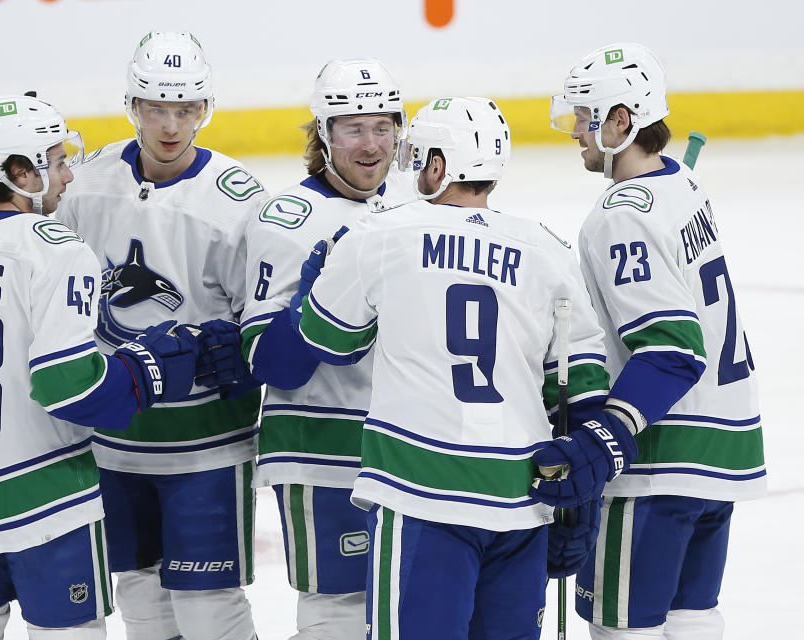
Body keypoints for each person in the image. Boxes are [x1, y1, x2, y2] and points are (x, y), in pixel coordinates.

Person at [0, 94, 206, 639]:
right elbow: (69, 389)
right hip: (41, 502)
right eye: (55, 161)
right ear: (20, 173)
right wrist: (153, 367)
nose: (69, 174)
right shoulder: (55, 249)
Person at [292, 96, 612, 640]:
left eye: (419, 156)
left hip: (421, 490)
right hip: (521, 495)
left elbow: (326, 338)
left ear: (438, 165)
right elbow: (581, 382)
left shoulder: (378, 235)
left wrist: (316, 281)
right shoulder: (543, 248)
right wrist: (584, 498)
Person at [531, 42, 767, 640]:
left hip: (662, 456)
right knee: (693, 621)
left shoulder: (620, 216)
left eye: (586, 117)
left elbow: (672, 347)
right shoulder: (680, 181)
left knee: (624, 630)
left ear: (620, 121)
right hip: (723, 445)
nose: (576, 132)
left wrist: (606, 435)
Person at [55, 31, 263, 640]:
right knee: (141, 600)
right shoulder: (86, 186)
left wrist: (243, 353)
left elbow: (262, 314)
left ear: (204, 110)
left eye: (184, 109)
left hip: (207, 441)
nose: (171, 126)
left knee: (210, 609)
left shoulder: (238, 201)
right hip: (115, 434)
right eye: (156, 108)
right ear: (133, 107)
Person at [239, 58, 413, 639]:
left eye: (382, 126)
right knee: (335, 616)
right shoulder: (286, 220)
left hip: (409, 444)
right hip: (323, 449)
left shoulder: (420, 207)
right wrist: (313, 300)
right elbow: (269, 363)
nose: (371, 144)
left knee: (407, 609)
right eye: (352, 128)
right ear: (323, 135)